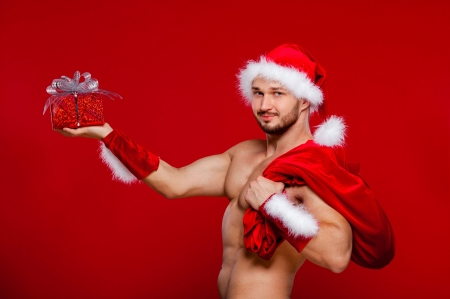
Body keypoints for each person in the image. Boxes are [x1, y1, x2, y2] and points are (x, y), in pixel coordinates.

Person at [57, 44, 394, 299]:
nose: (264, 105)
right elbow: (175, 183)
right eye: (258, 93)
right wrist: (106, 133)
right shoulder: (243, 156)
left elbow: (337, 256)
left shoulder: (313, 169)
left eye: (278, 94)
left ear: (304, 101)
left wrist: (274, 206)